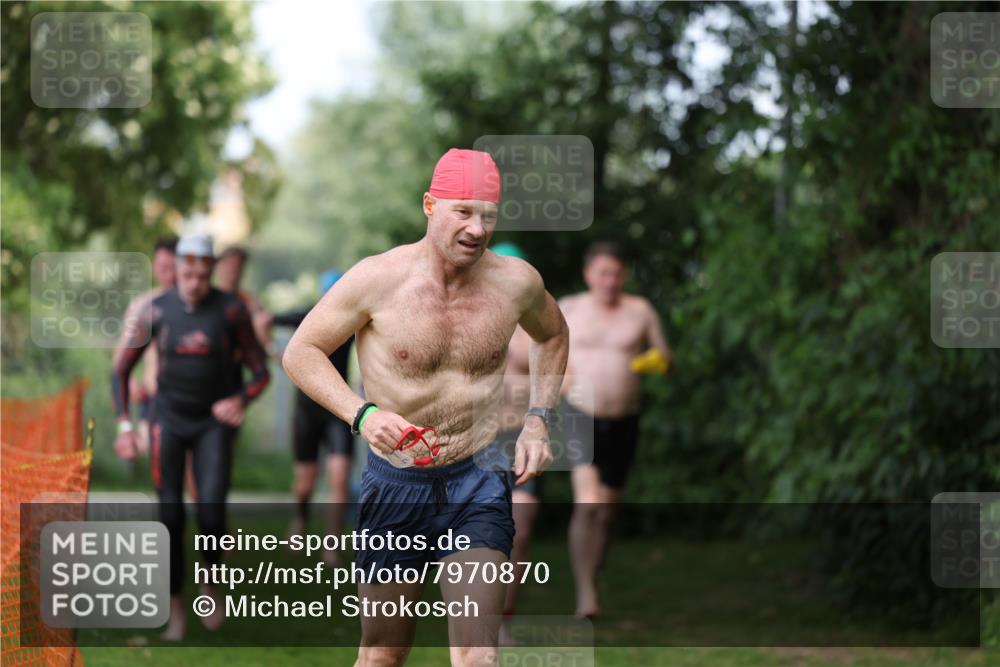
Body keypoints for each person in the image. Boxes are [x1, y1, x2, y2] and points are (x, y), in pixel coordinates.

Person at [282, 148, 569, 667]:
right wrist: (361, 414)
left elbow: (553, 335)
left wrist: (537, 421)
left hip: (479, 479)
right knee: (382, 655)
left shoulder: (516, 283)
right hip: (397, 482)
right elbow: (300, 351)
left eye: (488, 215)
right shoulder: (377, 279)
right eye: (463, 212)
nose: (478, 229)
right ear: (430, 205)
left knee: (477, 657)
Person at [111, 233, 271, 641]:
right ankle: (176, 610)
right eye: (187, 273)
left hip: (211, 424)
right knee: (170, 516)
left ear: (211, 270)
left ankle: (210, 585)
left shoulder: (231, 311)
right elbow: (120, 371)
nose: (195, 283)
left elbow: (261, 371)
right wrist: (126, 425)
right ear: (178, 269)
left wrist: (240, 400)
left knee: (212, 511)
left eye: (202, 274)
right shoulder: (155, 311)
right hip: (168, 420)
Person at [559, 241, 672, 619]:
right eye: (602, 273)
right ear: (588, 274)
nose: (609, 280)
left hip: (624, 418)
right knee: (588, 501)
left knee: (607, 511)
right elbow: (538, 352)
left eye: (616, 273)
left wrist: (657, 362)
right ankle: (585, 595)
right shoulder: (569, 309)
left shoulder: (640, 311)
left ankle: (593, 571)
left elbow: (665, 356)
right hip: (579, 413)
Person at [271, 270, 355, 566]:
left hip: (339, 410)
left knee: (340, 478)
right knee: (305, 484)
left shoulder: (354, 319)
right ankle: (301, 519)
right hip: (307, 412)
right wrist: (276, 356)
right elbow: (263, 321)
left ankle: (332, 544)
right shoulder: (306, 316)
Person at [486, 242, 545, 630]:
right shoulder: (467, 322)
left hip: (517, 438)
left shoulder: (533, 332)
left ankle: (503, 618)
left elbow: (561, 379)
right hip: (475, 441)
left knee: (519, 533)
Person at [119, 237, 177, 460]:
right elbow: (124, 351)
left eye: (173, 267)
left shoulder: (195, 304)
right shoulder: (142, 306)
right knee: (159, 457)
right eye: (163, 267)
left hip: (189, 397)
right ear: (154, 267)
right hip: (153, 396)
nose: (169, 274)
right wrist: (131, 380)